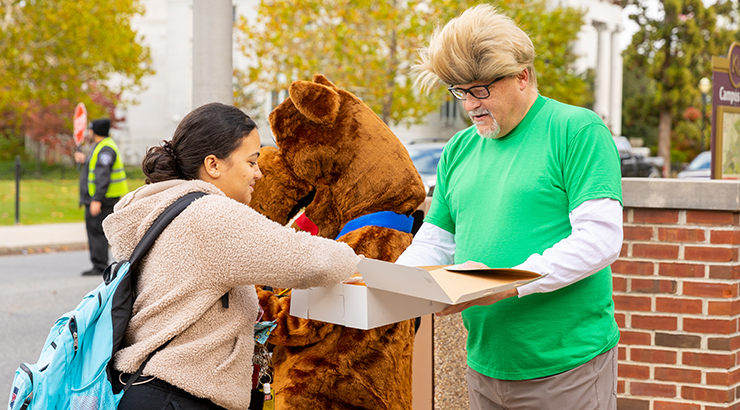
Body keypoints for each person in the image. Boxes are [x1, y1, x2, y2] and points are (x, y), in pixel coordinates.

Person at [396, 5, 623, 410]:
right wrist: (398, 282)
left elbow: (600, 239)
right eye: (460, 91)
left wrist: (502, 283)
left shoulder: (577, 130)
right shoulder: (458, 149)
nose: (470, 105)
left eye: (480, 89)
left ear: (522, 76)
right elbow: (436, 239)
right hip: (486, 363)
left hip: (565, 366)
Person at [102, 102, 361, 410]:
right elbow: (312, 261)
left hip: (146, 390)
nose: (259, 173)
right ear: (213, 165)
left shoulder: (164, 209)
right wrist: (358, 259)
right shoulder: (211, 215)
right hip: (177, 397)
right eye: (251, 161)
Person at [74, 118, 128, 276]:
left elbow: (103, 176)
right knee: (97, 229)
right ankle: (100, 264)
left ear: (95, 131)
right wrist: (84, 160)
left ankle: (99, 265)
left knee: (96, 230)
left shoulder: (105, 149)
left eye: (90, 130)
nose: (88, 133)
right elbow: (96, 168)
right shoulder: (102, 147)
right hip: (102, 198)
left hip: (102, 199)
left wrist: (96, 199)